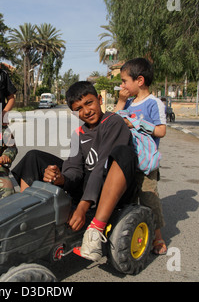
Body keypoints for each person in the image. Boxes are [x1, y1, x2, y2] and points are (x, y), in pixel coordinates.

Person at [11, 81, 137, 261]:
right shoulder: (78, 134)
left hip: (113, 188)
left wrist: (81, 208)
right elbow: (74, 170)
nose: (86, 111)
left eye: (89, 103)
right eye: (79, 109)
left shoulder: (113, 122)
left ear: (99, 99)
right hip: (88, 185)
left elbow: (101, 166)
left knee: (123, 154)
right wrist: (60, 178)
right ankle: (28, 213)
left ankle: (95, 231)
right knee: (33, 157)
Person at [114, 57, 168, 255]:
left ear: (140, 81)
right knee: (127, 198)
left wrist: (136, 124)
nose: (122, 85)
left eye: (124, 80)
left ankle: (158, 237)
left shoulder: (154, 104)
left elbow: (161, 131)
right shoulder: (127, 102)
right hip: (128, 161)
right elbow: (112, 120)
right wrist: (120, 101)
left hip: (146, 163)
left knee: (148, 198)